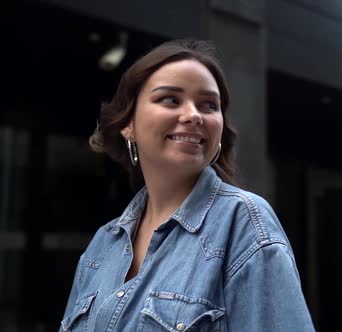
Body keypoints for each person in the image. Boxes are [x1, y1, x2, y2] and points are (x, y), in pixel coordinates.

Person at [61, 39, 315, 331]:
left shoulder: (243, 223)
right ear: (128, 123)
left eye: (209, 105)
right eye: (170, 99)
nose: (193, 115)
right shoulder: (103, 245)